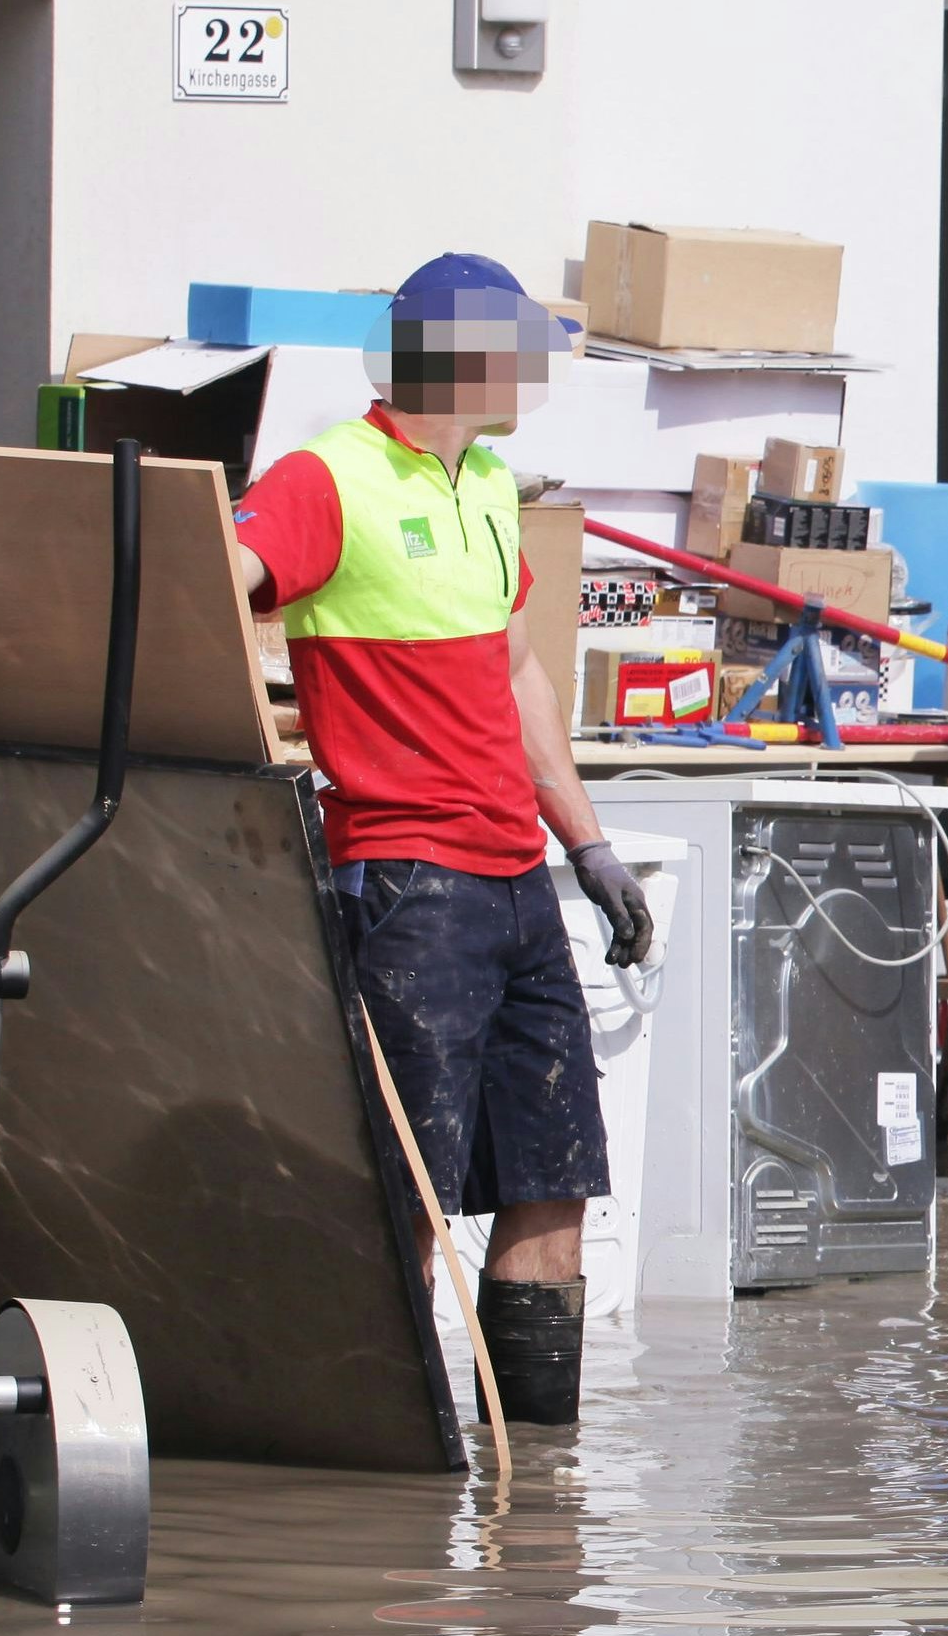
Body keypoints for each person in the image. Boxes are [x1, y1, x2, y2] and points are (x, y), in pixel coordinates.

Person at [226, 253, 654, 1428]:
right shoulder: (328, 479)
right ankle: (394, 1495)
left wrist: (590, 848)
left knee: (552, 1188)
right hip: (408, 884)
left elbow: (515, 673)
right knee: (401, 1197)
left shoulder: (493, 483)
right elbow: (211, 576)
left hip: (515, 881)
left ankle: (540, 1499)